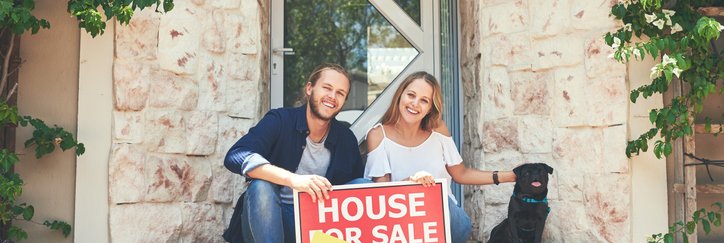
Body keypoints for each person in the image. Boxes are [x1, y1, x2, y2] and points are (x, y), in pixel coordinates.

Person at [364, 71, 517, 243]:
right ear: (400, 95)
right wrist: (410, 184)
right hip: (403, 223)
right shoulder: (378, 135)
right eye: (411, 95)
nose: (415, 104)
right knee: (360, 185)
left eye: (424, 100)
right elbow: (380, 194)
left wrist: (510, 176)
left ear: (431, 107)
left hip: (448, 220)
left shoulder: (438, 130)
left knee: (436, 198)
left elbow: (461, 173)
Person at [223, 63, 366, 243]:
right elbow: (236, 155)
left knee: (363, 184)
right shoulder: (280, 120)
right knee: (261, 187)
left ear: (344, 101)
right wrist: (293, 180)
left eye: (340, 93)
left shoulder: (346, 138)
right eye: (327, 88)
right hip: (274, 220)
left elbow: (360, 191)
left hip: (318, 226)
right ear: (309, 88)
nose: (332, 96)